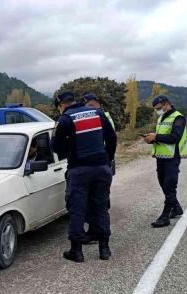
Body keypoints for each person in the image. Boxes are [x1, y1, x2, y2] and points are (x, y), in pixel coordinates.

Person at [51, 91, 117, 262]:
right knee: (101, 208)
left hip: (79, 170)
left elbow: (56, 147)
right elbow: (112, 138)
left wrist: (69, 149)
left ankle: (76, 251)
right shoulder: (98, 113)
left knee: (77, 210)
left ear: (61, 105)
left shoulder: (65, 119)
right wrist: (107, 159)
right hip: (102, 168)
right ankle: (104, 249)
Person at [143, 94, 187, 228]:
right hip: (161, 157)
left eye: (159, 107)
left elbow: (175, 137)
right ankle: (176, 208)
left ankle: (165, 217)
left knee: (169, 186)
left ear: (167, 104)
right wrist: (152, 139)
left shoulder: (178, 117)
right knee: (163, 185)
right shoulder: (162, 117)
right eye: (156, 108)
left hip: (172, 158)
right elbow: (162, 138)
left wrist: (156, 136)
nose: (158, 110)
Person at [80, 93, 115, 244]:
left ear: (93, 103)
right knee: (98, 198)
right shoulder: (100, 115)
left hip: (101, 162)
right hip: (102, 161)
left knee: (98, 199)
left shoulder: (102, 116)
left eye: (87, 104)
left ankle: (99, 232)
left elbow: (111, 138)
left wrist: (107, 158)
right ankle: (99, 232)